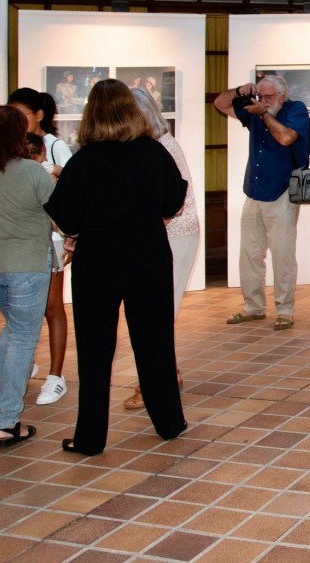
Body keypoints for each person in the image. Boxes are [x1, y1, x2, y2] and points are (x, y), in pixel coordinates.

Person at [44, 79, 189, 456]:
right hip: (148, 253)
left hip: (99, 257)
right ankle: (170, 423)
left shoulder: (84, 160)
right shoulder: (154, 153)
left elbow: (64, 216)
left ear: (91, 113)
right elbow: (174, 200)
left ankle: (90, 438)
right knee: (155, 341)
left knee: (95, 350)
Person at [122, 87, 200, 411]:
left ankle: (154, 385)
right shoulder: (148, 146)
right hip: (161, 235)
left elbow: (173, 203)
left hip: (176, 236)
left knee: (158, 313)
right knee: (156, 312)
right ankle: (169, 376)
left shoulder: (163, 147)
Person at [0, 105, 54, 449]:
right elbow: (61, 216)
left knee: (14, 330)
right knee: (24, 338)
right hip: (27, 265)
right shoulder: (31, 171)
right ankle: (7, 423)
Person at [214, 75, 310, 331]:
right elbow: (220, 104)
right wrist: (238, 91)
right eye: (261, 96)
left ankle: (285, 309)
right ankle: (254, 306)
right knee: (250, 254)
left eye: (269, 97)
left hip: (281, 192)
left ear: (282, 95)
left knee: (283, 256)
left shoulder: (295, 109)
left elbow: (286, 138)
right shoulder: (255, 111)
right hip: (254, 191)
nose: (264, 101)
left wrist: (263, 114)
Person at [8, 87, 72, 406]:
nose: (17, 121)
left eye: (22, 115)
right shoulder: (11, 145)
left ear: (39, 115)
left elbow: (73, 186)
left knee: (51, 306)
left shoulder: (55, 146)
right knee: (22, 309)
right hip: (22, 238)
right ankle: (26, 364)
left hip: (55, 237)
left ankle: (56, 376)